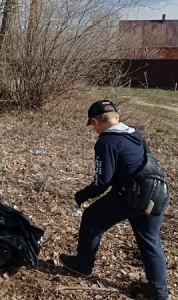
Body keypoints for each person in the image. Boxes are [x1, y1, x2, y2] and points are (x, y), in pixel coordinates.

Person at [59, 100, 168, 300]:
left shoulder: (106, 142)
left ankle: (82, 266)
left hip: (131, 194)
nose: (93, 130)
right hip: (156, 191)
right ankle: (158, 291)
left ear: (94, 121)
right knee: (150, 240)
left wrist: (82, 195)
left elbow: (103, 182)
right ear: (116, 117)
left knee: (92, 219)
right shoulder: (134, 133)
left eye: (92, 126)